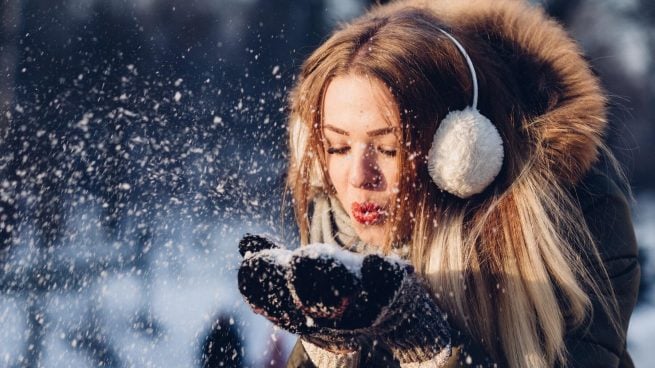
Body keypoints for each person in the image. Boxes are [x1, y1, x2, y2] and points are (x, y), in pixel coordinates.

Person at [237, 0, 641, 367]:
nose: (359, 178)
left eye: (389, 148)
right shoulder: (333, 228)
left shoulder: (577, 216)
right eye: (337, 147)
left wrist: (430, 352)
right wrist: (328, 347)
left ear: (460, 151)